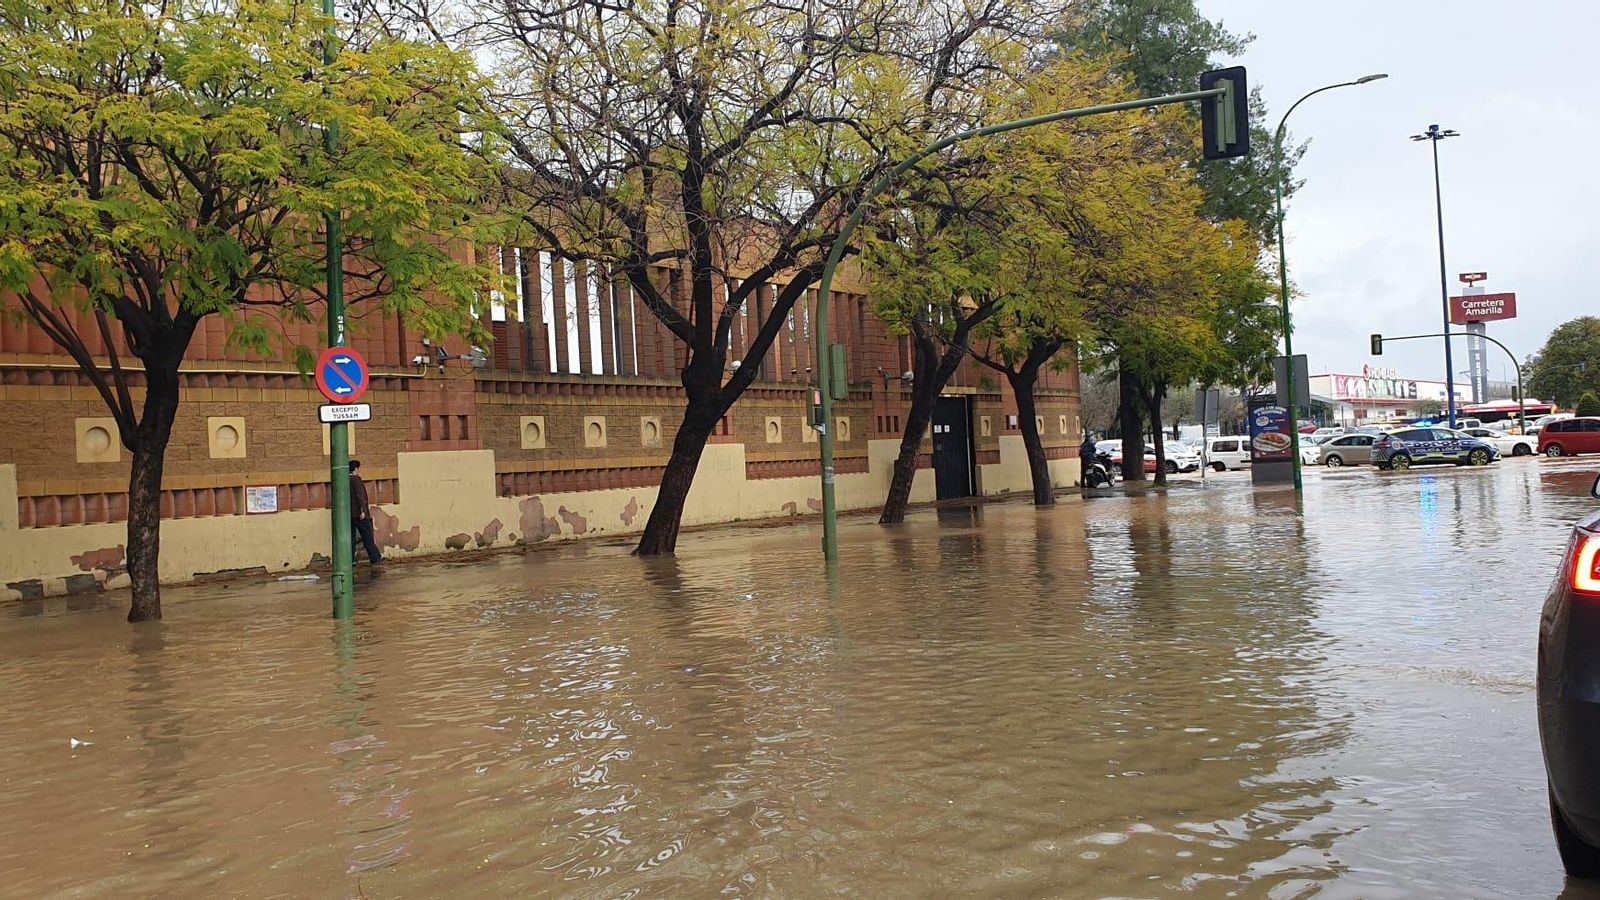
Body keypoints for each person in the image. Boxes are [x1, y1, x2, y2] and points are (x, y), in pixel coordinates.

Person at [349, 459, 383, 566]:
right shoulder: (356, 480)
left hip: (349, 514)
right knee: (368, 537)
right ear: (355, 469)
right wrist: (362, 510)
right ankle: (375, 558)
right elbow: (359, 496)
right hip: (360, 514)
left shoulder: (344, 480)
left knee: (351, 538)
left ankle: (351, 560)